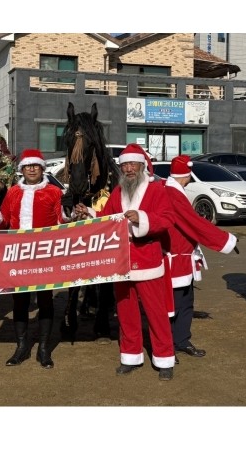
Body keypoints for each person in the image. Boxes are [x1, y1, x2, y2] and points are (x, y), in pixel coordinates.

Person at [73, 144, 177, 381]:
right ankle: (130, 355)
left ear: (142, 165)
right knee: (125, 312)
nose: (129, 169)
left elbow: (167, 219)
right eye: (125, 165)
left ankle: (164, 358)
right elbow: (106, 219)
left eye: (133, 164)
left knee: (155, 312)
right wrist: (88, 213)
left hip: (148, 259)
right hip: (121, 262)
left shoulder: (157, 189)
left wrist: (142, 217)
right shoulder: (118, 193)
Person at [0, 149, 68, 368]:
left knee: (45, 301)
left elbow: (63, 221)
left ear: (42, 168)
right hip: (19, 257)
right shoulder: (13, 192)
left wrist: (72, 209)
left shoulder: (54, 192)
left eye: (35, 166)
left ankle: (44, 350)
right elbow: (3, 220)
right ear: (22, 169)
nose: (32, 169)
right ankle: (21, 347)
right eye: (27, 166)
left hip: (45, 256)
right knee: (21, 302)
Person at [161, 155, 238, 358]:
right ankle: (167, 345)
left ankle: (181, 339)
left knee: (186, 302)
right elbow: (194, 223)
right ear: (186, 175)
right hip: (175, 259)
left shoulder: (174, 191)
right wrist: (225, 239)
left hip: (184, 257)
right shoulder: (173, 194)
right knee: (174, 305)